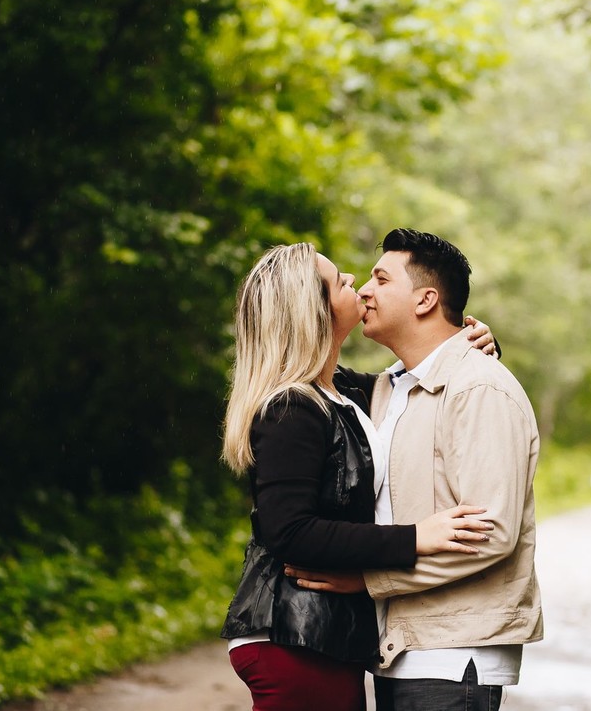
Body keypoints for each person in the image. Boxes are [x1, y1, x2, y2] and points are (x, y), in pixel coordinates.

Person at [218, 242, 500, 711]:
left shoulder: (343, 390)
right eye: (341, 282)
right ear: (316, 310)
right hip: (293, 634)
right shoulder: (292, 408)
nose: (356, 284)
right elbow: (288, 530)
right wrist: (413, 539)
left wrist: (472, 343)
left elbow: (425, 375)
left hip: (321, 634)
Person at [288, 229, 544, 711]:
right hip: (404, 646)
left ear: (426, 299)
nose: (364, 290)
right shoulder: (388, 391)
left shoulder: (479, 389)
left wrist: (368, 579)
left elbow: (490, 532)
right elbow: (291, 362)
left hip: (453, 654)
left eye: (381, 279)